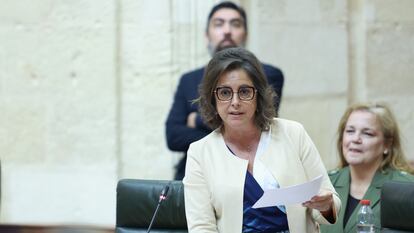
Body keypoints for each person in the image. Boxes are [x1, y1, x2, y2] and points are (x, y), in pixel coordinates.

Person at [183, 47, 340, 233]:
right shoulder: (200, 152)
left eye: (244, 92)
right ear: (212, 98)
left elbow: (331, 201)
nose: (235, 102)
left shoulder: (293, 133)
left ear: (258, 95)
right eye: (225, 93)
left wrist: (326, 204)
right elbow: (201, 227)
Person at [166, 1, 284, 180]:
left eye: (235, 24)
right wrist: (234, 131)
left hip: (249, 175)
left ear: (245, 34)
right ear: (207, 35)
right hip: (195, 175)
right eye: (219, 24)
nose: (227, 30)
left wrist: (197, 120)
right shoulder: (189, 79)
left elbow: (260, 124)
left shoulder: (267, 75)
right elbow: (174, 136)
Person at [320, 103, 414, 233]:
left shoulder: (407, 188)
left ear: (387, 144)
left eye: (367, 133)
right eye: (350, 131)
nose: (356, 139)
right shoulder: (325, 183)